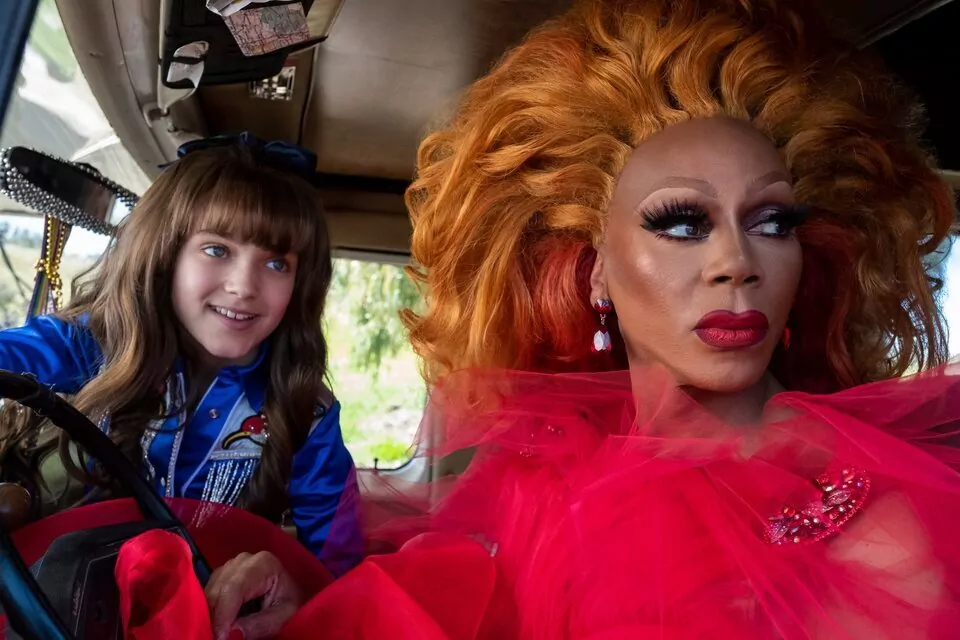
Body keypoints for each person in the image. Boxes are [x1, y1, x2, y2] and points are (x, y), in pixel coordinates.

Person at [13, 0, 960, 638]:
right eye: (680, 221)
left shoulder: (877, 518)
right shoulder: (543, 473)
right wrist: (307, 600)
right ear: (592, 269)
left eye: (773, 222)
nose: (734, 262)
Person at [0, 133, 362, 577]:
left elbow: (337, 567)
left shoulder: (308, 412)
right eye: (216, 250)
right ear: (166, 256)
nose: (243, 286)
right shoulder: (94, 344)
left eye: (276, 263)